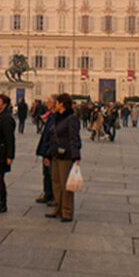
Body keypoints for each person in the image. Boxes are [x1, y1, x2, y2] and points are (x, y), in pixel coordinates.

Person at [46, 93, 81, 223]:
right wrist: (48, 154)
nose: (55, 104)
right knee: (56, 182)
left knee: (66, 184)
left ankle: (67, 211)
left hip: (66, 155)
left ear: (62, 104)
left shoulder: (71, 118)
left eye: (57, 102)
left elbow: (74, 138)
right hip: (55, 154)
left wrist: (76, 156)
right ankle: (58, 208)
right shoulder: (56, 117)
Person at [35, 95, 56, 205]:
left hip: (50, 150)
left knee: (52, 174)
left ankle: (54, 196)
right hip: (46, 149)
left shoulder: (55, 117)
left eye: (49, 102)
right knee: (46, 174)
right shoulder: (51, 115)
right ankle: (47, 193)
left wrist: (48, 152)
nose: (47, 103)